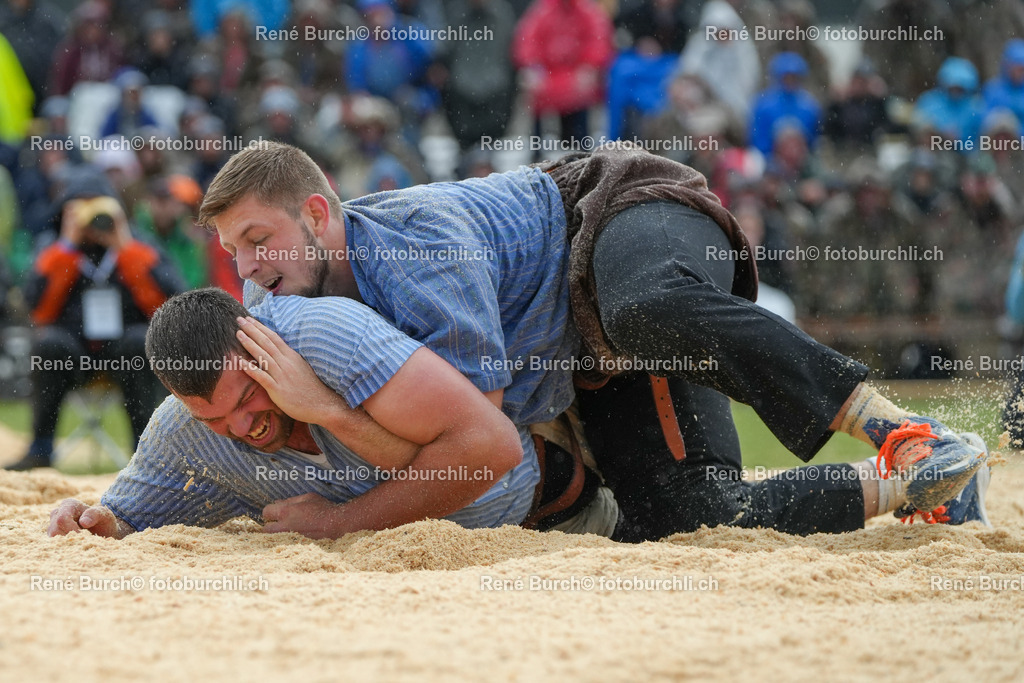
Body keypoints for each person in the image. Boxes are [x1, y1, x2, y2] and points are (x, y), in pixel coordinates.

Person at [50, 142, 992, 541]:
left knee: (642, 308)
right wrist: (124, 509)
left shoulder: (414, 243)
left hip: (617, 213)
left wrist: (332, 443)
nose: (249, 270)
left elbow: (477, 438)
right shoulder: (312, 311)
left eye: (259, 241)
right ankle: (923, 486)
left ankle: (898, 426)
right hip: (591, 358)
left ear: (316, 212)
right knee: (685, 517)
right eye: (232, 254)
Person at [7, 170, 185, 470]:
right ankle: (40, 448)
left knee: (141, 340)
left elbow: (167, 306)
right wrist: (66, 246)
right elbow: (37, 311)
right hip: (72, 351)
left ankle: (146, 451)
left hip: (124, 350)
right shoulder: (53, 248)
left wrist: (124, 248)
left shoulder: (138, 245)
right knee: (48, 343)